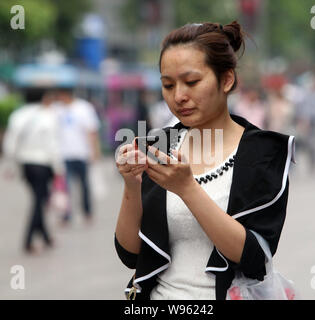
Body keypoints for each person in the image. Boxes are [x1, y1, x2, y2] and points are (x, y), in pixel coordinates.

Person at [114, 21, 295, 300]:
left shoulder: (263, 151)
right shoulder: (158, 145)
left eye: (192, 82)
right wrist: (131, 184)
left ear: (227, 80)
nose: (179, 96)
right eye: (168, 85)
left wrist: (187, 189)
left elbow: (254, 258)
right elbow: (129, 253)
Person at [2, 88, 64, 254]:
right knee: (39, 201)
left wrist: (9, 166)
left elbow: (10, 143)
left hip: (25, 164)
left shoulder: (17, 116)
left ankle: (45, 236)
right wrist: (59, 168)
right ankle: (28, 240)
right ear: (43, 97)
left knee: (39, 198)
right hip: (43, 164)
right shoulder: (49, 116)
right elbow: (53, 145)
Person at [54, 88, 102, 224]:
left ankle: (87, 212)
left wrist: (94, 151)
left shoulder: (84, 108)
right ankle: (66, 214)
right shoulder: (56, 109)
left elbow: (92, 131)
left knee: (85, 185)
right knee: (65, 186)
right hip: (63, 154)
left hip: (82, 153)